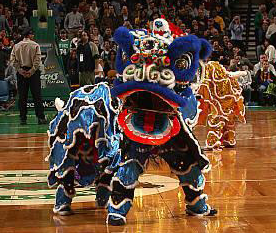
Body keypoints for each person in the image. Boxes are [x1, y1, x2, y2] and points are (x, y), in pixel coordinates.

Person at [10, 27, 47, 125]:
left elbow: (13, 60)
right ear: (29, 35)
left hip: (21, 73)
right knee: (37, 96)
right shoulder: (35, 45)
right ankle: (41, 118)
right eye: (32, 34)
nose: (33, 36)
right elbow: (37, 60)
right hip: (33, 73)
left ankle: (23, 118)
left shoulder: (16, 46)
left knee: (22, 96)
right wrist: (31, 71)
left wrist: (20, 70)